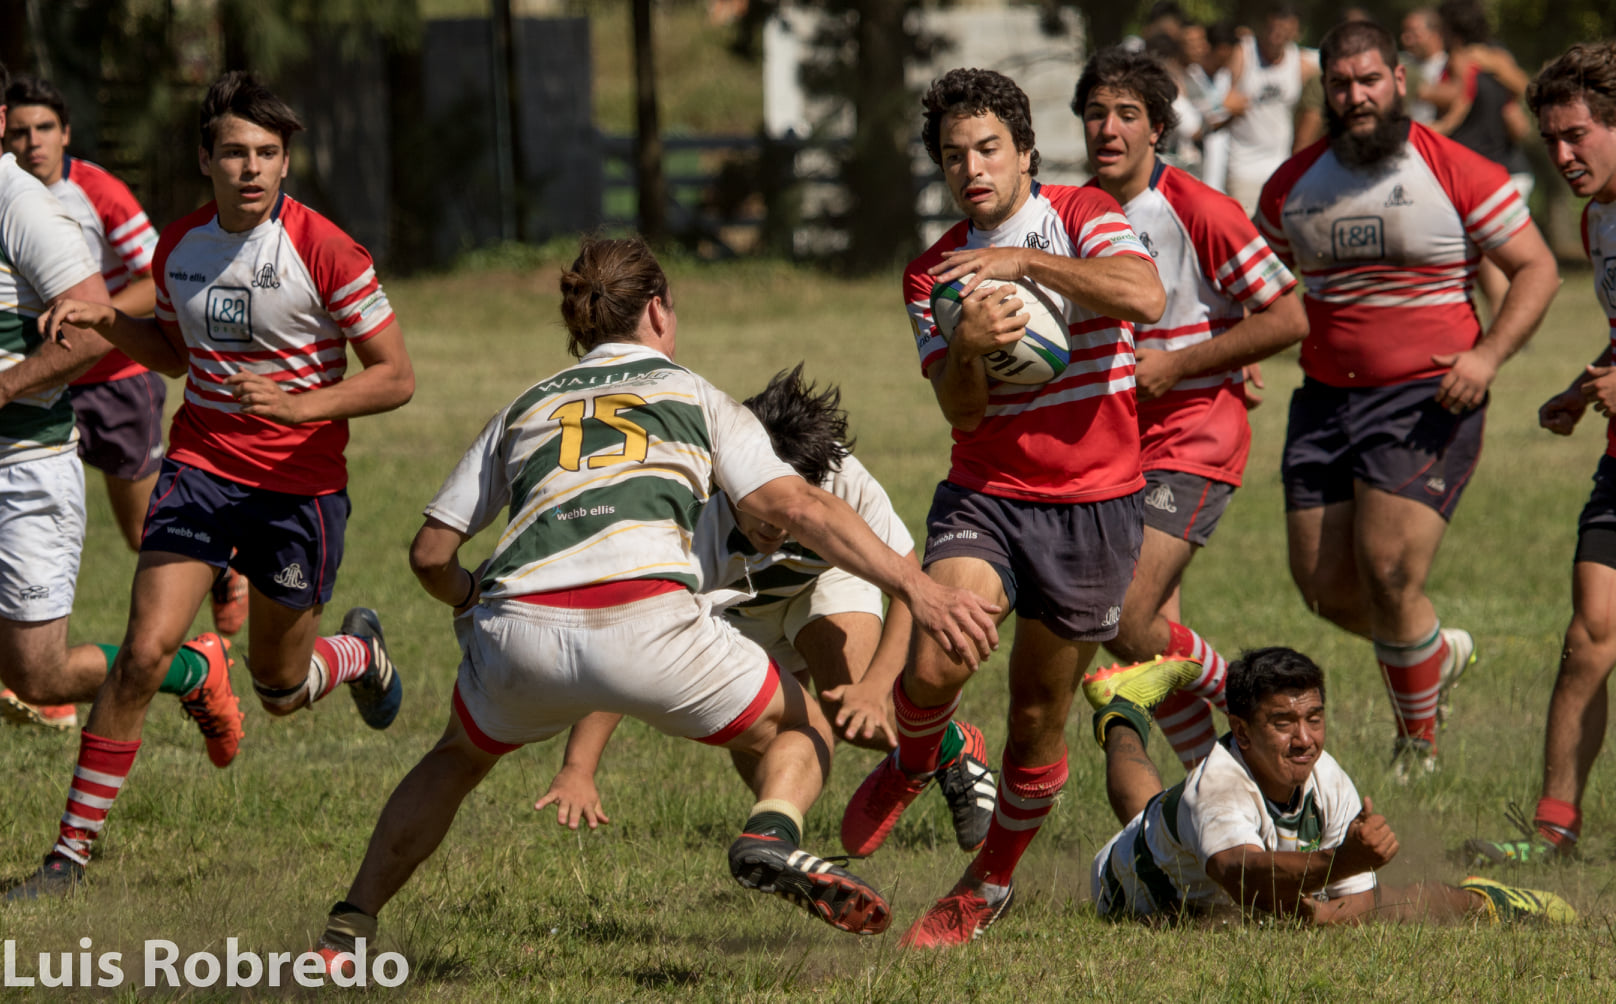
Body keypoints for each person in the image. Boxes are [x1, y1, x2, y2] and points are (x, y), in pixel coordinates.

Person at [308, 236, 1001, 967]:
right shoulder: (696, 395)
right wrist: (921, 588)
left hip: (518, 632)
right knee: (804, 727)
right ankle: (771, 832)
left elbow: (429, 554)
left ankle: (346, 930)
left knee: (454, 759)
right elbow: (797, 505)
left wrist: (471, 592)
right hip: (650, 623)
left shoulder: (525, 405)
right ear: (660, 310)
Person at [4, 71, 415, 901]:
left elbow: (396, 377)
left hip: (298, 490)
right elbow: (173, 356)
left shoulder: (327, 250)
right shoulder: (182, 245)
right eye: (233, 152)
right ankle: (67, 859)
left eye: (267, 152)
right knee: (142, 655)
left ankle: (359, 653)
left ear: (286, 162)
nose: (251, 168)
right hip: (200, 471)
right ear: (206, 159)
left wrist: (300, 405)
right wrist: (108, 320)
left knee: (279, 689)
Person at [840, 67, 1163, 949]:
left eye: (988, 149)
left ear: (1025, 152)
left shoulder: (1085, 214)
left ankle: (988, 882)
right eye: (954, 156)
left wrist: (1023, 263)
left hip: (1094, 505)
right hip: (987, 492)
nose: (972, 168)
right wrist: (969, 349)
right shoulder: (930, 275)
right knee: (938, 657)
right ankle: (920, 756)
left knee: (1035, 718)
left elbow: (1145, 296)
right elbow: (962, 412)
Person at [1256, 20, 1559, 775]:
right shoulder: (1290, 185)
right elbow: (1261, 281)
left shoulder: (1456, 169)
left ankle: (1416, 744)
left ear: (1399, 80)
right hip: (1323, 400)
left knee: (1389, 570)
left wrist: (1487, 356)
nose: (1356, 96)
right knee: (1323, 588)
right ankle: (1431, 650)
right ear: (1324, 92)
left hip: (1426, 398)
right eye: (1340, 84)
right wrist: (1240, 355)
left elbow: (1537, 267)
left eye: (1369, 80)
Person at [534, 365, 997, 846]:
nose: (775, 526)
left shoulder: (842, 480)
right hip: (737, 611)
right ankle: (775, 844)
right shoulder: (690, 513)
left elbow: (909, 586)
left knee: (859, 716)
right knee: (763, 743)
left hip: (824, 582)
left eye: (790, 507)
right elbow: (630, 638)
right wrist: (579, 766)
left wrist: (876, 687)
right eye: (762, 505)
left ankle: (950, 744)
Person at [1074, 47, 1307, 773]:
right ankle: (1225, 780)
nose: (1109, 128)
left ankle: (1261, 705)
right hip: (1113, 441)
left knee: (1121, 615)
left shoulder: (1198, 208)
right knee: (1144, 636)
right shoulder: (1070, 214)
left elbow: (1288, 316)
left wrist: (1182, 362)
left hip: (1193, 433)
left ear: (1158, 129)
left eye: (1127, 114)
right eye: (1095, 113)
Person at [0, 76, 249, 734]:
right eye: (24, 130)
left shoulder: (60, 198)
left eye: (43, 128)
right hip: (53, 391)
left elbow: (137, 284)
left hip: (102, 389)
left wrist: (87, 320)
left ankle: (214, 594)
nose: (33, 141)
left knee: (141, 535)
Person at [1083, 647, 1575, 925]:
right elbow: (1241, 875)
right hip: (1131, 895)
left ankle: (1488, 903)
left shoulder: (1328, 778)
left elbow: (1358, 901)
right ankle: (1124, 711)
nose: (1305, 739)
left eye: (1314, 718)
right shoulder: (1217, 788)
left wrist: (1330, 902)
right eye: (1283, 722)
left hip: (1184, 855)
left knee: (1388, 904)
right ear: (1242, 731)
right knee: (1151, 821)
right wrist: (1340, 864)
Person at [1465, 41, 1616, 867]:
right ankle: (1554, 832)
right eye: (1551, 138)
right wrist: (1583, 385)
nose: (1561, 154)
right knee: (1588, 635)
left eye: (1577, 135)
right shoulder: (1598, 222)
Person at [1428, 0, 1535, 317]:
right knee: (1489, 258)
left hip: (1485, 172)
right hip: (1503, 168)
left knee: (1489, 258)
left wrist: (1421, 133)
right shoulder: (1494, 56)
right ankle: (1506, 324)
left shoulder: (1463, 61)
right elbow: (1521, 94)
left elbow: (1456, 110)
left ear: (1450, 29)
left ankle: (1507, 327)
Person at [1222, 4, 1316, 215]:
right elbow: (1220, 97)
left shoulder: (1300, 62)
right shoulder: (1244, 53)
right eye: (1273, 28)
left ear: (1296, 31)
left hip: (1280, 167)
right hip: (1242, 165)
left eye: (1284, 30)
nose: (1277, 35)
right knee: (1245, 230)